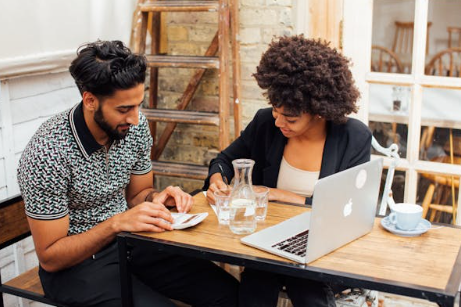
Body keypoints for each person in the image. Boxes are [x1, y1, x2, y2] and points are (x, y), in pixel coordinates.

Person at [17, 40, 238, 307]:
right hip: (76, 268)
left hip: (132, 244)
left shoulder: (134, 126)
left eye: (138, 105)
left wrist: (157, 199)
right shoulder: (48, 152)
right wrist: (116, 223)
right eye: (124, 109)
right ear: (89, 100)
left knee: (231, 295)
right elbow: (51, 257)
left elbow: (138, 194)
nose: (135, 118)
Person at [204, 35, 372, 306]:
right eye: (275, 110)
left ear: (319, 111)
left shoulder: (353, 137)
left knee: (304, 282)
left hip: (324, 248)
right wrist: (217, 180)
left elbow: (350, 212)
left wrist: (275, 193)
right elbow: (223, 160)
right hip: (269, 242)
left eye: (290, 118)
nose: (279, 121)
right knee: (257, 284)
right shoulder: (265, 124)